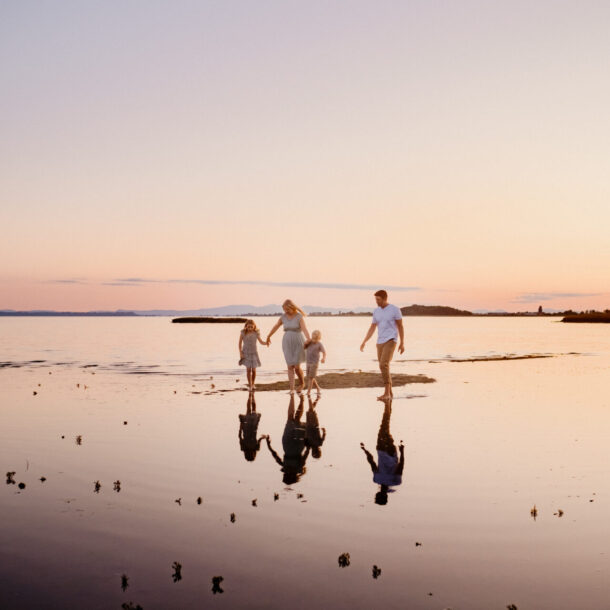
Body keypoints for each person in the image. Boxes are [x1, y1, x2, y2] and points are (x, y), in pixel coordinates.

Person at [359, 289, 404, 400]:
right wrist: (364, 341)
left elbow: (400, 326)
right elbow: (372, 327)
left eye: (378, 299)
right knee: (383, 367)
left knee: (383, 364)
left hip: (391, 339)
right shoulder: (376, 311)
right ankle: (390, 393)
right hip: (380, 341)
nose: (376, 302)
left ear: (384, 299)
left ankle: (387, 394)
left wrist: (402, 342)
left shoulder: (395, 310)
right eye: (376, 299)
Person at [360, 399, 404, 505]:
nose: (376, 494)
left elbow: (400, 466)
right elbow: (372, 463)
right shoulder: (377, 479)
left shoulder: (395, 482)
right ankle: (387, 404)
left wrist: (402, 452)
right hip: (382, 449)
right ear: (379, 495)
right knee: (384, 426)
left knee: (385, 426)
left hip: (391, 451)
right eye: (377, 496)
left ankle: (388, 405)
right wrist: (365, 451)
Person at [266, 299, 311, 394]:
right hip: (287, 342)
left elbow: (304, 329)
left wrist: (308, 339)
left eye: (287, 309)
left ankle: (302, 383)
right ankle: (291, 389)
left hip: (298, 342)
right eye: (284, 309)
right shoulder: (283, 317)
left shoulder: (299, 316)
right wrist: (269, 336)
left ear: (292, 307)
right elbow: (276, 326)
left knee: (297, 366)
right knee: (290, 366)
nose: (286, 311)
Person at [264, 395, 309, 485]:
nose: (285, 474)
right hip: (290, 445)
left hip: (292, 445)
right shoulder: (297, 467)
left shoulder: (288, 467)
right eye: (285, 476)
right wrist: (268, 444)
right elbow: (275, 456)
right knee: (294, 420)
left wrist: (268, 444)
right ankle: (300, 400)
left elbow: (275, 456)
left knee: (293, 420)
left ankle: (298, 400)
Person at [238, 319, 267, 391]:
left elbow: (261, 342)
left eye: (251, 327)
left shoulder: (256, 333)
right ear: (246, 326)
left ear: (254, 327)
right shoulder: (243, 333)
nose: (250, 328)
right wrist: (240, 353)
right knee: (248, 370)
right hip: (246, 353)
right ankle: (250, 385)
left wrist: (266, 343)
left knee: (254, 370)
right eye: (248, 327)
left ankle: (253, 384)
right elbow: (239, 344)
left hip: (254, 353)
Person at [238, 393, 264, 462]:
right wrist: (241, 425)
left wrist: (241, 425)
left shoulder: (253, 448)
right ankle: (251, 395)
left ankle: (251, 395)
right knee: (250, 409)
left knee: (252, 409)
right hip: (248, 428)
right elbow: (239, 436)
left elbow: (240, 437)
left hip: (252, 428)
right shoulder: (246, 448)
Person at [304, 330, 326, 396]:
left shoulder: (319, 344)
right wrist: (305, 343)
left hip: (314, 363)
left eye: (316, 339)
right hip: (308, 362)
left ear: (319, 338)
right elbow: (304, 348)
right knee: (310, 377)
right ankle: (318, 388)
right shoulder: (309, 343)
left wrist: (323, 358)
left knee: (311, 377)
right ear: (311, 337)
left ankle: (308, 392)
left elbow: (324, 352)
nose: (314, 340)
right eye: (313, 339)